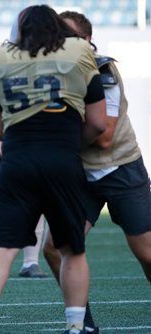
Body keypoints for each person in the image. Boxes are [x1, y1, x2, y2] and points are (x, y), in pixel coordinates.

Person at [0, 5, 107, 334]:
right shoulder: (77, 51)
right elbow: (99, 123)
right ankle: (76, 326)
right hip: (62, 158)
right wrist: (71, 142)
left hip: (17, 160)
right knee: (72, 250)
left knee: (2, 247)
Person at [42, 11, 151, 334]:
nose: (63, 43)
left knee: (146, 252)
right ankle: (82, 323)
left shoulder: (104, 70)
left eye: (71, 36)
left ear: (88, 40)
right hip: (79, 174)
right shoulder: (51, 70)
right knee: (53, 247)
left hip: (120, 167)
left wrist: (55, 139)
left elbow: (103, 137)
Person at [0, 27, 48, 279]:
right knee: (3, 202)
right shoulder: (0, 58)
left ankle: (30, 261)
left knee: (38, 202)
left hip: (36, 143)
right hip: (9, 141)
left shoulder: (45, 57)